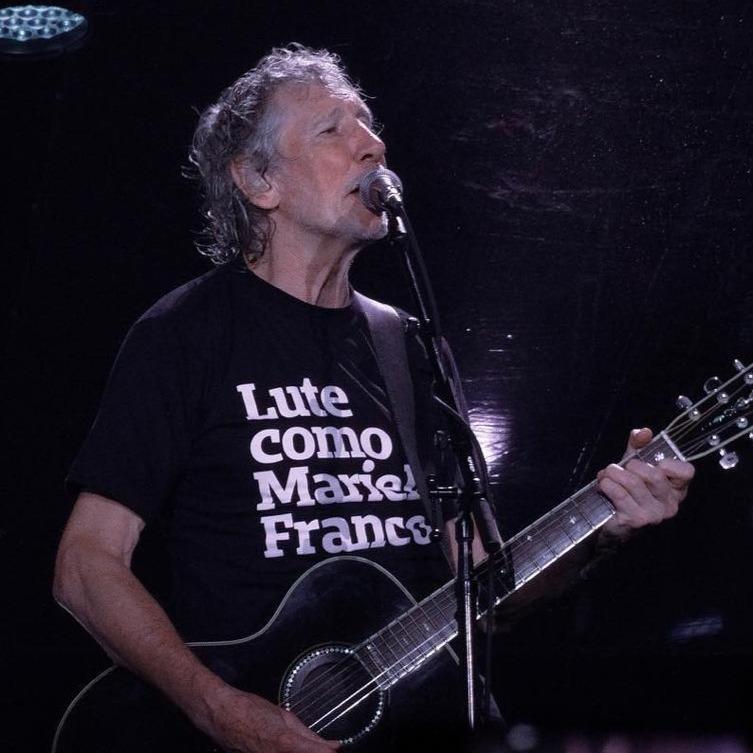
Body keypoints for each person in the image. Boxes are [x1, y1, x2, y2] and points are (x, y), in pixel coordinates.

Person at [53, 45, 695, 753]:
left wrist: (603, 528)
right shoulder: (184, 334)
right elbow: (86, 565)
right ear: (259, 180)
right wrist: (217, 708)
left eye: (368, 123)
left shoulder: (407, 347)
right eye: (333, 130)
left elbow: (484, 592)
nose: (373, 143)